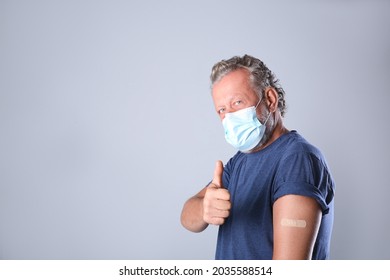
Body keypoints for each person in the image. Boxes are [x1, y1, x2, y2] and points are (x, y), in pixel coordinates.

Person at [180, 54, 335, 260]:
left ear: (270, 99)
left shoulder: (297, 160)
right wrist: (204, 209)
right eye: (222, 110)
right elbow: (187, 217)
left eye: (237, 102)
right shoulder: (239, 162)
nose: (229, 117)